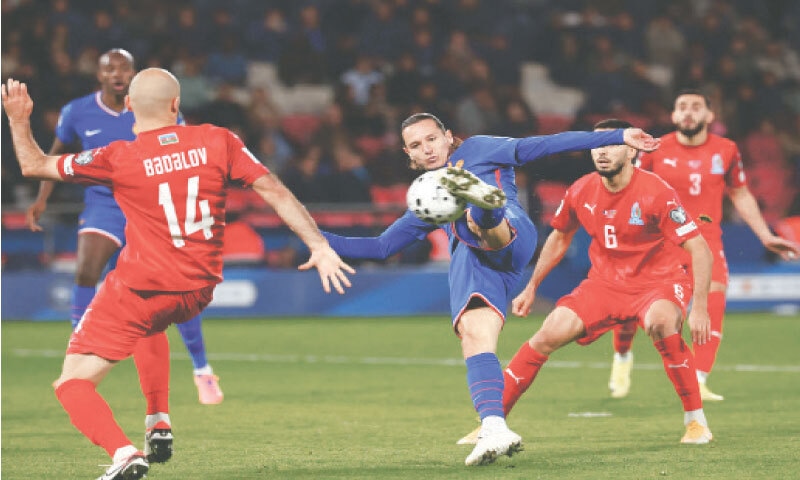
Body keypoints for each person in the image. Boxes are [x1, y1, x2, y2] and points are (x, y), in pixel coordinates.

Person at [2, 70, 355, 480]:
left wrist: (18, 118)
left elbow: (34, 165)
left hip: (141, 289)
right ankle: (158, 421)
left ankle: (124, 454)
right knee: (150, 328)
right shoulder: (217, 140)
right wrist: (319, 245)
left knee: (71, 385)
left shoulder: (118, 156)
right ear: (176, 104)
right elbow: (273, 188)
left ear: (129, 106)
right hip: (197, 291)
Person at [320, 112, 660, 466]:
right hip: (480, 262)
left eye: (432, 139)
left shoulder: (481, 148)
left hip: (512, 231)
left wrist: (619, 135)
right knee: (474, 335)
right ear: (411, 157)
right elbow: (381, 248)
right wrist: (311, 237)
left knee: (469, 223)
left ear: (449, 137)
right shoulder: (426, 202)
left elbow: (542, 145)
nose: (428, 149)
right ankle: (495, 428)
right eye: (417, 146)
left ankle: (483, 206)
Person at [458, 118, 715, 448]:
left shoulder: (657, 193)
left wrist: (701, 307)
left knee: (662, 323)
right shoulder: (581, 189)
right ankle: (490, 427)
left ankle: (695, 420)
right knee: (547, 334)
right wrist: (532, 285)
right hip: (604, 285)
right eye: (596, 145)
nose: (602, 152)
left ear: (631, 149)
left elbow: (699, 249)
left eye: (610, 144)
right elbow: (560, 237)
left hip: (658, 283)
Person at [25, 48, 227, 405]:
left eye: (125, 68)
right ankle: (79, 344)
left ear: (134, 75)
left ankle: (202, 369)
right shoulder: (77, 112)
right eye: (111, 69)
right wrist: (42, 200)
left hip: (150, 204)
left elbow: (179, 153)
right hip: (104, 204)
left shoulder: (151, 108)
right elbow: (53, 154)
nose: (118, 74)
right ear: (99, 75)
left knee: (176, 287)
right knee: (86, 269)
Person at [607, 90, 800, 401]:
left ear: (711, 116)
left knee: (713, 301)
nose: (688, 112)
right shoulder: (656, 148)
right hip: (660, 239)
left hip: (706, 239)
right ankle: (622, 356)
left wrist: (765, 235)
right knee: (632, 309)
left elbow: (740, 193)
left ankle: (699, 379)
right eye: (682, 107)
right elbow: (632, 188)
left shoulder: (726, 150)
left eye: (696, 107)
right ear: (672, 116)